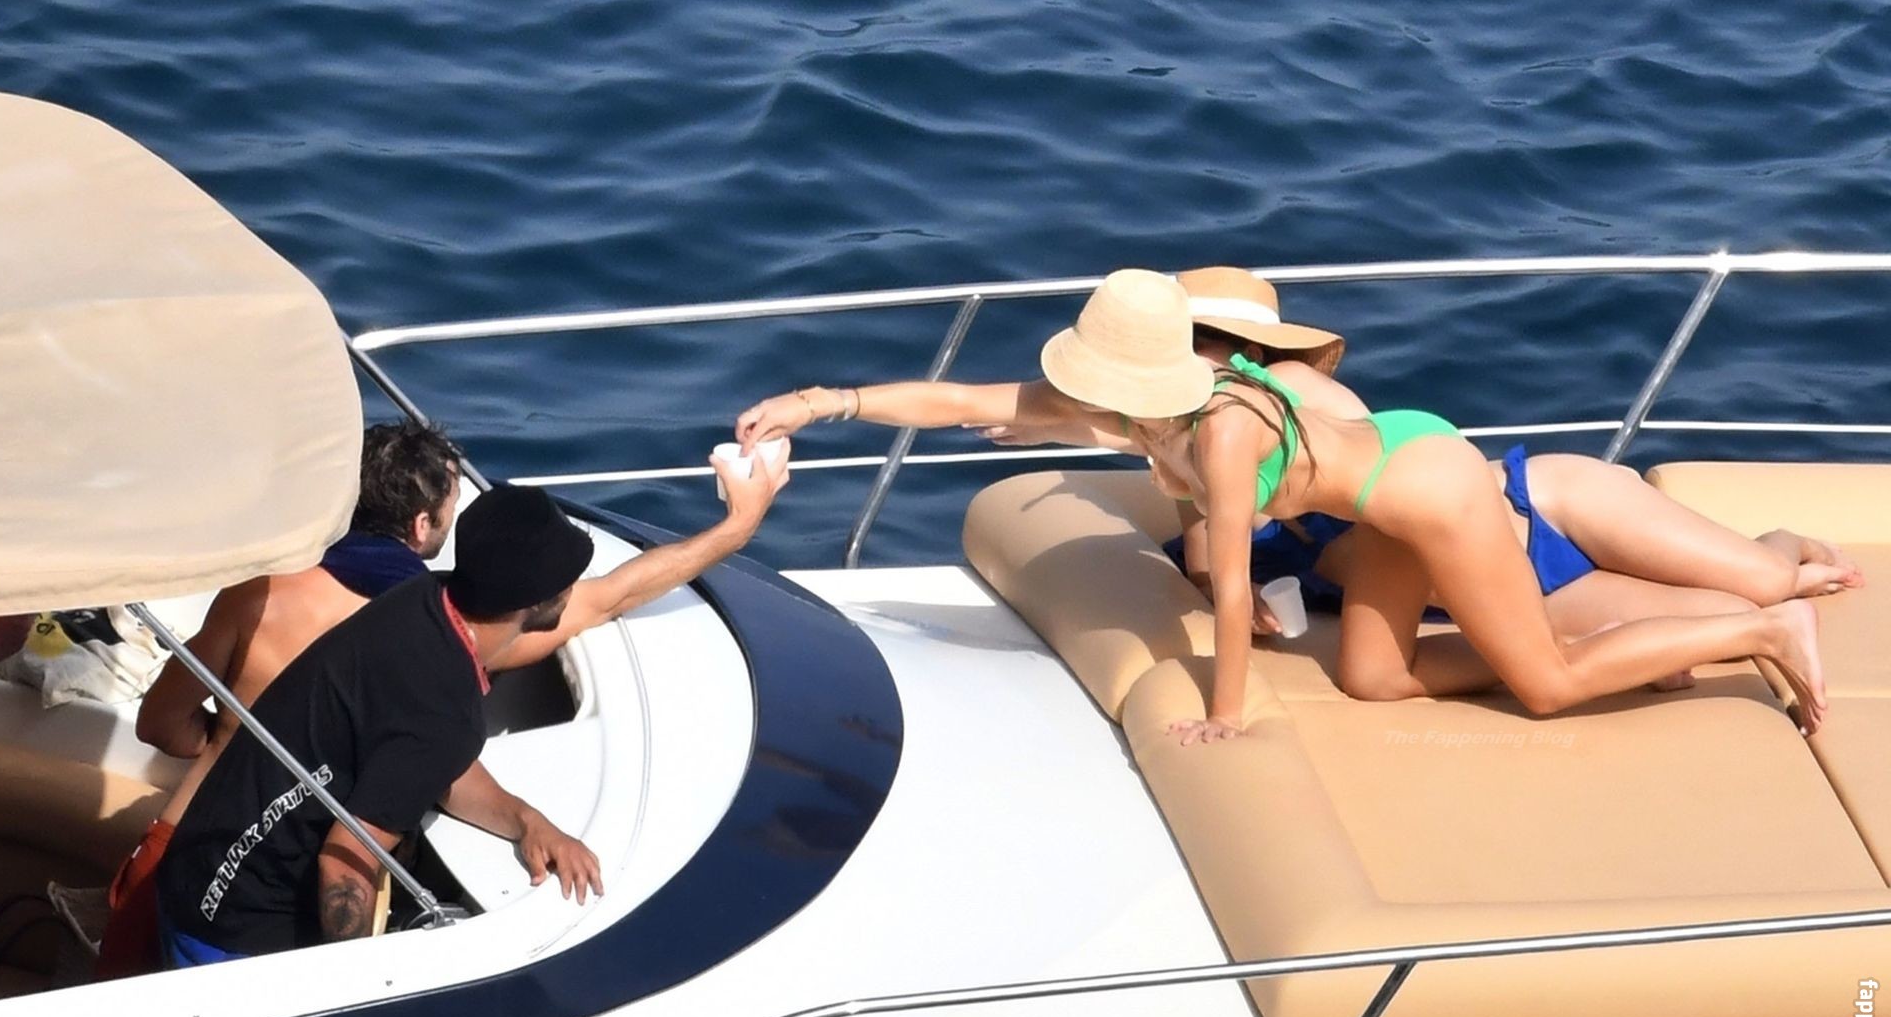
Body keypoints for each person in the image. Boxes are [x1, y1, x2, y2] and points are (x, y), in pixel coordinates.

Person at [735, 268, 1831, 743]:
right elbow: (960, 398)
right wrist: (822, 401)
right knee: (1374, 679)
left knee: (1545, 685)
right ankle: (1647, 639)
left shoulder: (1223, 429)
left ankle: (1764, 628)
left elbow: (1226, 582)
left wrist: (1229, 709)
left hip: (1434, 490)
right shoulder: (1129, 410)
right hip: (1384, 511)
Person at [983, 266, 1863, 692]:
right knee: (1705, 628)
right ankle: (1759, 589)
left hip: (1539, 502)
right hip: (1494, 570)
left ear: (1240, 353)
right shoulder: (1201, 445)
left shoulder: (1286, 394)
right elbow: (1214, 554)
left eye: (1199, 347)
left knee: (1771, 579)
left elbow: (1245, 509)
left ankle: (1779, 545)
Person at [154, 485, 585, 962]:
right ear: (535, 600)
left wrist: (527, 822)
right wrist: (359, 980)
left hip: (189, 874)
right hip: (234, 932)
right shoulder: (445, 710)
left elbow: (432, 765)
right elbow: (346, 865)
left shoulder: (420, 601)